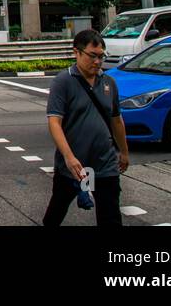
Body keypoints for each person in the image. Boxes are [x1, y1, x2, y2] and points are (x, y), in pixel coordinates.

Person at [43, 29, 129, 226]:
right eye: (92, 56)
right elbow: (54, 122)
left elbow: (116, 120)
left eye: (101, 56)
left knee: (110, 217)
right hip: (74, 166)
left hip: (105, 163)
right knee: (56, 213)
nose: (97, 62)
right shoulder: (63, 81)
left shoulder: (109, 83)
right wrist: (69, 157)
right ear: (77, 52)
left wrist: (123, 151)